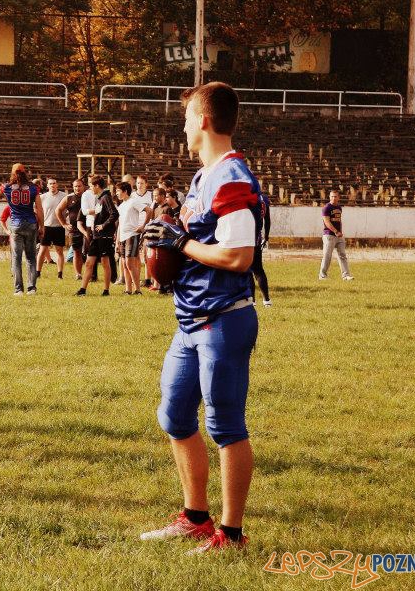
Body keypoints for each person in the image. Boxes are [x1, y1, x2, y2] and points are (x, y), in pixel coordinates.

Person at [140, 82, 261, 553]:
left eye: (188, 116)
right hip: (190, 318)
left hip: (223, 319)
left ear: (205, 120)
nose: (184, 125)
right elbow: (197, 245)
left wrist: (181, 245)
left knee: (226, 425)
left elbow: (238, 256)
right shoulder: (201, 176)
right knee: (173, 414)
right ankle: (195, 516)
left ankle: (231, 533)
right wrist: (169, 265)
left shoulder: (230, 176)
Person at [0, 164, 44, 296]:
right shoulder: (34, 188)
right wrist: (42, 226)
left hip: (15, 224)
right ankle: (31, 288)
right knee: (31, 258)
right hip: (31, 223)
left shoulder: (7, 187)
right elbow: (39, 209)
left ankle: (18, 289)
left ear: (12, 173)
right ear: (25, 173)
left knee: (16, 258)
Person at [75, 176, 117, 296]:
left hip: (104, 236)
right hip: (96, 235)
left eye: (92, 186)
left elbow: (114, 214)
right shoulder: (100, 198)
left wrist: (103, 225)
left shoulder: (105, 197)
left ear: (97, 186)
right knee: (89, 262)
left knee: (105, 262)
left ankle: (106, 290)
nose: (90, 188)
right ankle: (82, 289)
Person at [115, 181, 149, 294]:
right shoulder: (121, 206)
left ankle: (137, 289)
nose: (116, 193)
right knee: (124, 263)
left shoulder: (133, 202)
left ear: (125, 191)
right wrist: (117, 241)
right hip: (122, 237)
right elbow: (120, 224)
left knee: (130, 263)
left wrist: (142, 226)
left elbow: (149, 211)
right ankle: (128, 289)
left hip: (132, 235)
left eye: (118, 191)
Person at [55, 178, 87, 281]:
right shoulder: (68, 198)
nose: (77, 188)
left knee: (90, 252)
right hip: (74, 229)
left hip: (88, 228)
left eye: (79, 186)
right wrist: (64, 224)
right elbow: (58, 210)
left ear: (84, 186)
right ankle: (78, 274)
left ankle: (92, 274)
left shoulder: (88, 196)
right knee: (76, 251)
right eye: (75, 186)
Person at [319, 190, 353, 281]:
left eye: (335, 196)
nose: (333, 198)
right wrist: (335, 231)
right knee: (327, 256)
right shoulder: (326, 208)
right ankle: (322, 276)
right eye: (332, 196)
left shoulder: (339, 208)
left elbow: (339, 221)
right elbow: (327, 222)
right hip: (329, 235)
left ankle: (346, 276)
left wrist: (340, 232)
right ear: (329, 197)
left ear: (338, 197)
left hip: (339, 235)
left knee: (342, 255)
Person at [38, 177, 67, 279]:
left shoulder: (64, 196)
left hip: (59, 227)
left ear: (57, 184)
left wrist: (65, 220)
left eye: (54, 183)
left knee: (59, 251)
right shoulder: (42, 197)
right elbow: (37, 210)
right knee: (42, 250)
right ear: (47, 186)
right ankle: (38, 273)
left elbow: (68, 210)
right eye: (50, 184)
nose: (52, 185)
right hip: (46, 226)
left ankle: (60, 274)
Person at [251, 192, 272, 306]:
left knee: (248, 271)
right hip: (257, 237)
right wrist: (266, 236)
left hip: (246, 236)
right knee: (259, 269)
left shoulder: (248, 196)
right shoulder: (264, 198)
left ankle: (252, 300)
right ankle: (267, 300)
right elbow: (267, 219)